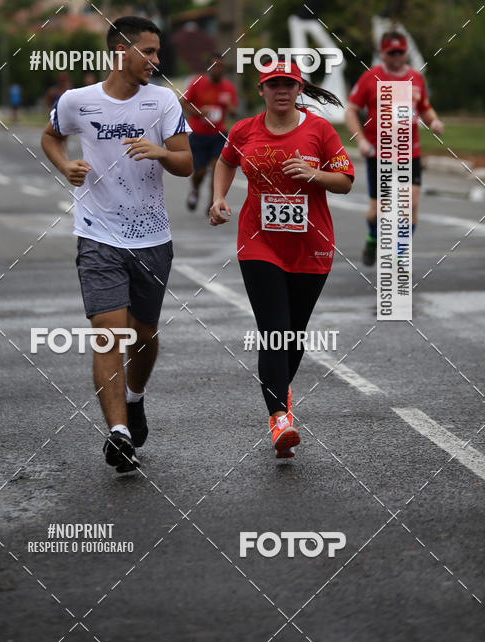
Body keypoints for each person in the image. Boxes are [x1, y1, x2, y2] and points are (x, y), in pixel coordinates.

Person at [41, 16, 192, 474]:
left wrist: (162, 152)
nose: (155, 61)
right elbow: (50, 137)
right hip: (97, 233)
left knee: (143, 334)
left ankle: (135, 397)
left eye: (157, 52)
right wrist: (64, 165)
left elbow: (186, 163)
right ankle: (119, 433)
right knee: (109, 331)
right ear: (120, 52)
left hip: (151, 238)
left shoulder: (163, 101)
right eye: (147, 51)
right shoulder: (77, 101)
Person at [209, 59, 354, 459]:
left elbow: (344, 181)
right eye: (274, 84)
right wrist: (219, 197)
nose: (282, 90)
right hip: (259, 243)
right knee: (274, 329)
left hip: (311, 246)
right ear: (262, 90)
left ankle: (279, 393)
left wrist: (314, 174)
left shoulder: (319, 130)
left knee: (294, 333)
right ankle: (279, 419)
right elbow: (226, 160)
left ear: (299, 88)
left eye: (289, 84)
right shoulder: (245, 130)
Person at [345, 31, 444, 266]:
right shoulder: (370, 78)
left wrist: (434, 121)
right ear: (382, 53)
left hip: (410, 153)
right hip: (379, 154)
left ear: (406, 52)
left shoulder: (416, 78)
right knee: (376, 212)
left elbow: (425, 108)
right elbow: (350, 110)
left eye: (400, 52)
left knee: (411, 203)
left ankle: (400, 255)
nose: (397, 57)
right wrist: (360, 141)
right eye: (392, 53)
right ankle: (372, 237)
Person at [182, 53, 238, 214]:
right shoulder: (197, 83)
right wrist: (199, 112)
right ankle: (195, 189)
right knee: (199, 172)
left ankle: (212, 204)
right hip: (198, 134)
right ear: (209, 67)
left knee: (216, 169)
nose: (218, 69)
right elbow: (184, 102)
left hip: (218, 135)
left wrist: (229, 105)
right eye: (215, 66)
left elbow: (234, 113)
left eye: (221, 66)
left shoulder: (228, 87)